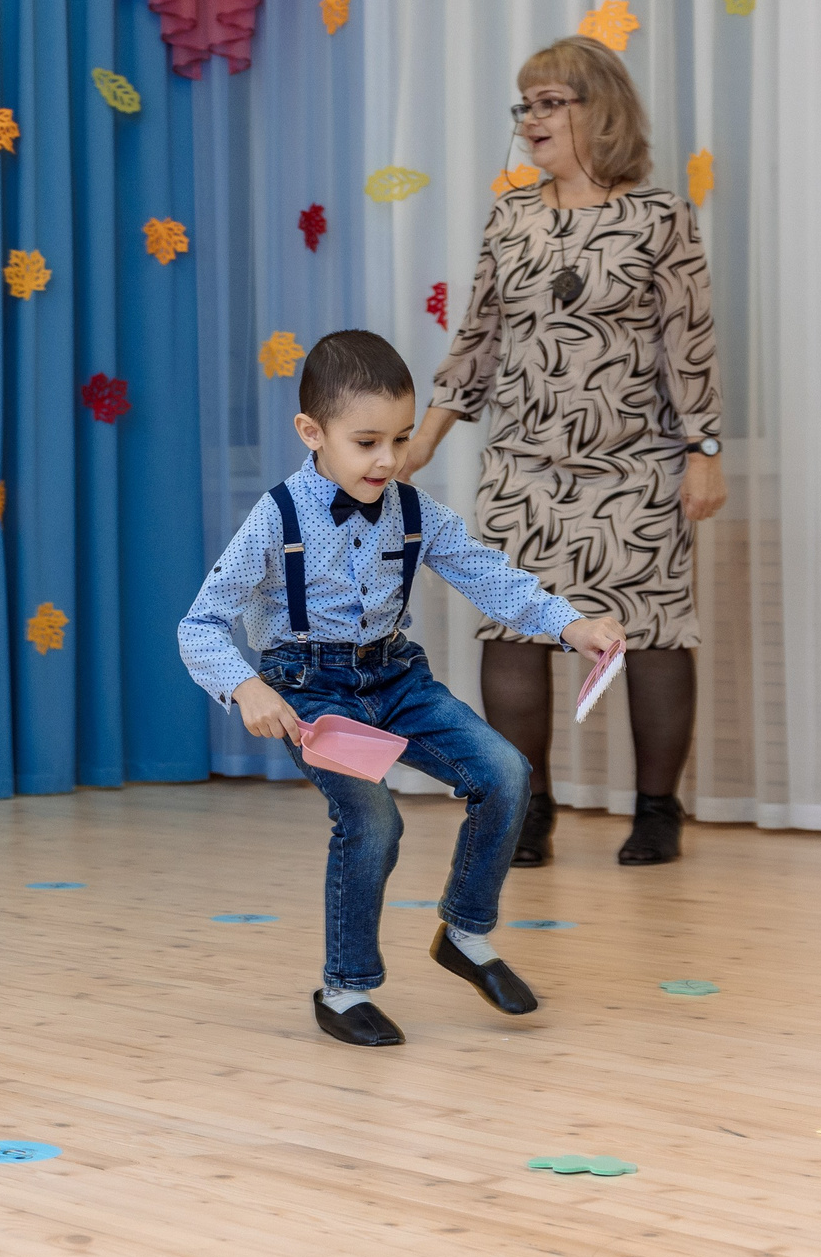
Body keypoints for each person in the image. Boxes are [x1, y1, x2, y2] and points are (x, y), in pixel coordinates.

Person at [179, 330, 624, 1048]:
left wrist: (570, 623)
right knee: (374, 817)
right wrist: (245, 686)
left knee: (505, 772)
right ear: (311, 432)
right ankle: (345, 987)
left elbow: (488, 573)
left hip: (395, 675)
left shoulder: (412, 510)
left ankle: (466, 934)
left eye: (400, 438)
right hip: (314, 694)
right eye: (366, 441)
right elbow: (198, 625)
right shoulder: (276, 517)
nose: (387, 458)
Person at [403, 35, 725, 867]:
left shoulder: (661, 215)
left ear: (600, 107)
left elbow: (689, 343)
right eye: (527, 103)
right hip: (524, 465)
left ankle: (658, 809)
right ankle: (527, 806)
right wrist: (421, 443)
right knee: (511, 631)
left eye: (551, 101)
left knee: (651, 633)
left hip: (637, 464)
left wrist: (704, 451)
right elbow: (476, 340)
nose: (532, 119)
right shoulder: (511, 215)